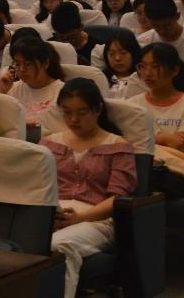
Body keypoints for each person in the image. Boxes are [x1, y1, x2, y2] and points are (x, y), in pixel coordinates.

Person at [40, 79, 137, 298]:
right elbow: (36, 185)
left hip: (97, 219)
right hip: (53, 214)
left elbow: (118, 198)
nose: (73, 120)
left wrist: (80, 218)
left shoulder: (117, 146)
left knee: (59, 245)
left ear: (98, 110)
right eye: (67, 112)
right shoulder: (49, 144)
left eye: (82, 113)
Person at [130, 43, 184, 155]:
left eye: (155, 66)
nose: (147, 73)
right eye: (142, 66)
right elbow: (126, 141)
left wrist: (144, 141)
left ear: (175, 70)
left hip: (178, 164)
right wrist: (165, 139)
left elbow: (181, 146)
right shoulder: (133, 104)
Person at [0, 36, 65, 125]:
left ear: (45, 63)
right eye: (17, 64)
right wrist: (3, 91)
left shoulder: (62, 92)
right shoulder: (12, 88)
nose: (22, 69)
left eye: (28, 64)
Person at [99, 30, 141, 98]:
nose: (117, 58)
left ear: (134, 54)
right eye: (111, 54)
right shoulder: (101, 78)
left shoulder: (143, 80)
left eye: (123, 53)